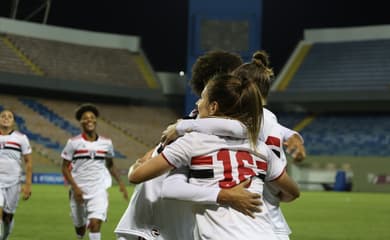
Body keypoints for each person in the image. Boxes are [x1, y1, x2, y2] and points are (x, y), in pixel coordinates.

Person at [129, 74, 300, 239]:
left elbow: (138, 177)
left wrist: (136, 165)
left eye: (202, 98)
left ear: (213, 107)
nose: (197, 102)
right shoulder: (261, 147)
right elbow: (293, 192)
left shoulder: (192, 141)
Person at [114, 51, 262, 240]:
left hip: (157, 223)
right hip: (155, 227)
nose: (242, 83)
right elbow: (154, 178)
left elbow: (147, 160)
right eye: (236, 78)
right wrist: (225, 195)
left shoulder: (192, 125)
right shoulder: (197, 132)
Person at [61, 103, 128, 240]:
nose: (89, 120)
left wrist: (121, 183)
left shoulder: (106, 143)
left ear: (96, 120)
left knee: (95, 223)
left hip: (98, 189)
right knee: (80, 229)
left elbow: (110, 165)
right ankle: (80, 232)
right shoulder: (73, 143)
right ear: (80, 122)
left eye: (92, 117)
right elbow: (64, 168)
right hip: (78, 190)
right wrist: (76, 188)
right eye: (85, 118)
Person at [0, 108, 32, 240]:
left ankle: (5, 236)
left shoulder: (21, 138)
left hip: (14, 182)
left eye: (9, 116)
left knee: (8, 217)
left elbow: (28, 162)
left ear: (13, 121)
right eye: (3, 116)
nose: (6, 118)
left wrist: (28, 185)